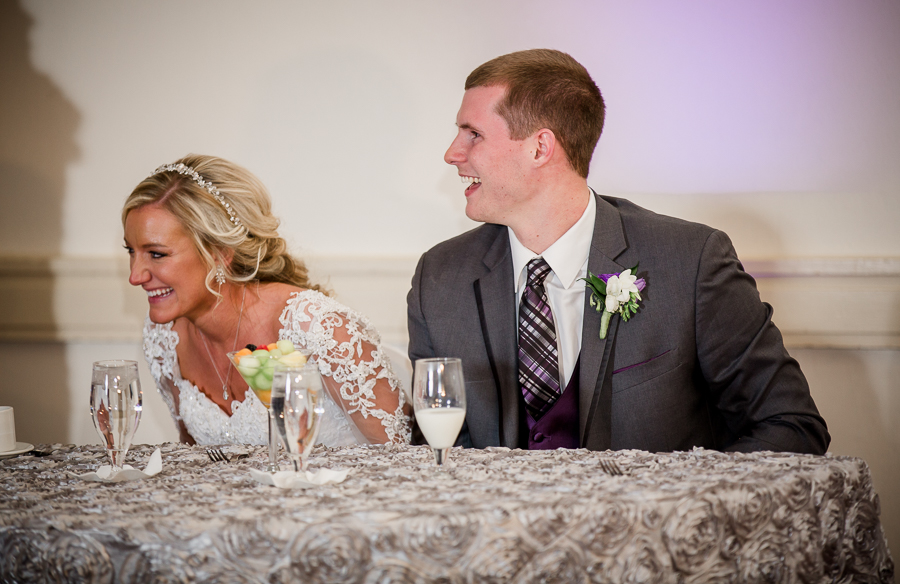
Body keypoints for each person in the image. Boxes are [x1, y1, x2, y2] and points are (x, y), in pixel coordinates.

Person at [407, 49, 829, 454]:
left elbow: (790, 426)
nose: (452, 153)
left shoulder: (690, 262)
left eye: (473, 134)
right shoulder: (441, 279)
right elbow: (439, 451)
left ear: (540, 147)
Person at [124, 154, 410, 446]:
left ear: (220, 254)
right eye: (131, 251)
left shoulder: (318, 329)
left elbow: (403, 461)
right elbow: (195, 458)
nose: (135, 276)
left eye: (156, 254)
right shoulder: (164, 338)